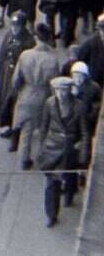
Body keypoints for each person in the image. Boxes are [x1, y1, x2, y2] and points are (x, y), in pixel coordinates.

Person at [38, 76, 89, 227]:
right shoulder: (49, 103)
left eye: (64, 90)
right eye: (58, 90)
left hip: (70, 149)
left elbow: (85, 132)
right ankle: (51, 214)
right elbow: (43, 127)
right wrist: (41, 149)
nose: (61, 94)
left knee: (70, 176)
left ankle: (69, 194)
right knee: (51, 183)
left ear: (69, 90)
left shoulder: (79, 106)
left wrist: (83, 154)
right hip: (52, 149)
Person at [12, 23, 63, 169]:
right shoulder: (52, 60)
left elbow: (16, 80)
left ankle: (24, 159)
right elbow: (54, 83)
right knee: (43, 129)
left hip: (27, 94)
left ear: (36, 38)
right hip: (43, 96)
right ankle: (42, 158)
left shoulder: (25, 55)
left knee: (26, 131)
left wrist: (20, 91)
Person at [0, 11, 37, 149]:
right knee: (5, 101)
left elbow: (29, 63)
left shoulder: (29, 41)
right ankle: (10, 127)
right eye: (13, 25)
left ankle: (16, 135)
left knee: (15, 105)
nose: (14, 28)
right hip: (7, 73)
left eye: (17, 25)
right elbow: (2, 53)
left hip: (19, 75)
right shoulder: (9, 35)